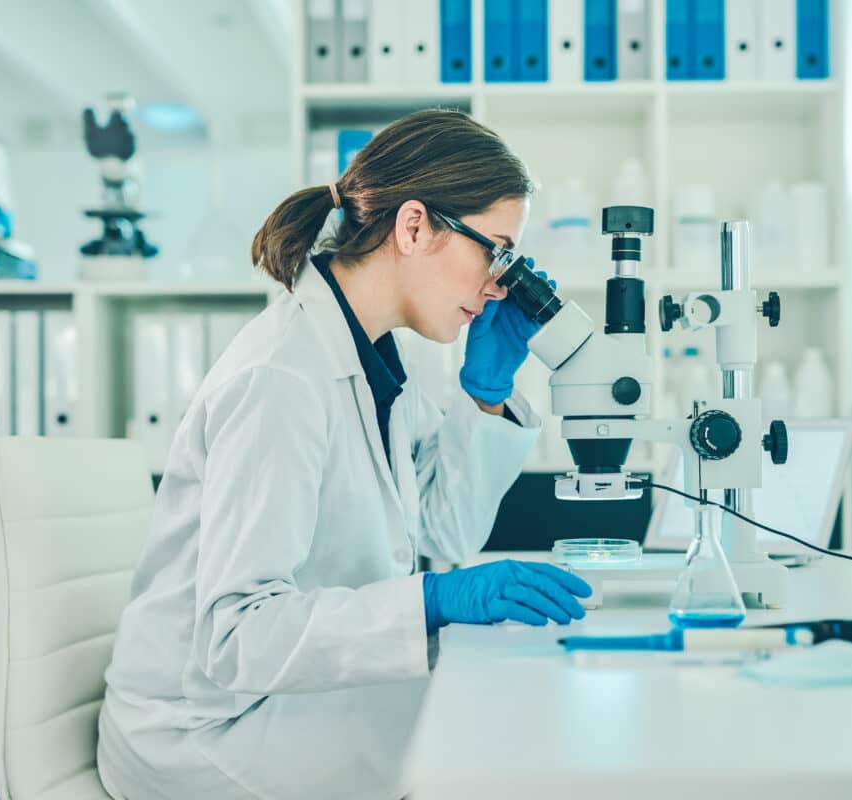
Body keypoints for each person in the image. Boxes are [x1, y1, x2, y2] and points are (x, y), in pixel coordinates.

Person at [96, 109, 592, 800]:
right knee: (485, 743)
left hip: (284, 696)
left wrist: (485, 394)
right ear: (414, 226)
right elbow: (239, 636)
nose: (498, 284)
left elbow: (443, 532)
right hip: (206, 731)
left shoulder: (380, 359)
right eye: (496, 252)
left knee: (498, 709)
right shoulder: (281, 377)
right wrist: (432, 600)